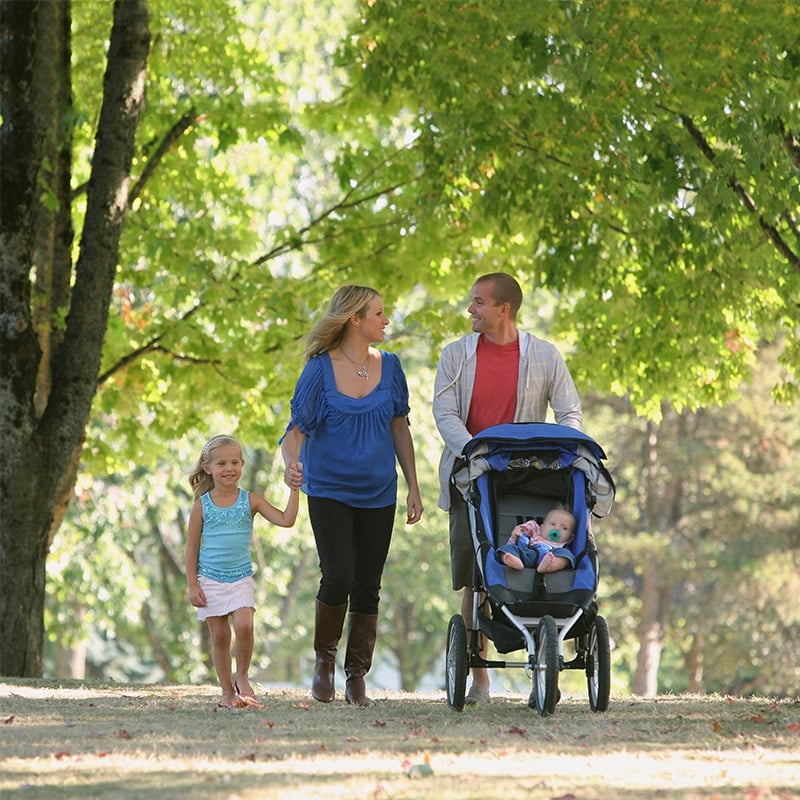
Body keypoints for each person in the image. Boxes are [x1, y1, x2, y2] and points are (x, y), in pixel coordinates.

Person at [433, 272, 583, 704]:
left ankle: (548, 655)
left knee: (543, 558)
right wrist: (476, 451)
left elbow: (570, 410)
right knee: (474, 574)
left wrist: (565, 448)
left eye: (478, 302)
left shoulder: (543, 356)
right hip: (471, 474)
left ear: (504, 309)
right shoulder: (456, 355)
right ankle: (479, 677)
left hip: (528, 476)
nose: (470, 309)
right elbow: (444, 413)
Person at [280, 285, 423, 707]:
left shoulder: (391, 367)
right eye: (379, 313)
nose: (386, 321)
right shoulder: (319, 371)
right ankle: (324, 659)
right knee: (338, 574)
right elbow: (295, 432)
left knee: (368, 585)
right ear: (355, 319)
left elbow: (400, 428)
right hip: (328, 489)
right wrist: (292, 462)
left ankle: (356, 674)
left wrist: (413, 484)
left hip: (379, 491)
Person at [185, 434, 301, 709]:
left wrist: (295, 489)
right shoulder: (202, 505)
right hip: (210, 579)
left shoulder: (250, 501)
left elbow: (287, 520)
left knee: (245, 626)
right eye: (222, 463)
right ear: (207, 467)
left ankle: (243, 676)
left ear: (242, 465)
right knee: (221, 637)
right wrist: (192, 585)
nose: (229, 468)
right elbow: (190, 549)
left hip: (240, 577)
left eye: (235, 462)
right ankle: (226, 691)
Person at [496, 508, 577, 573]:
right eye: (552, 524)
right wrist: (514, 537)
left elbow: (566, 555)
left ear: (570, 538)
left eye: (564, 528)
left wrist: (554, 559)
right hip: (528, 554)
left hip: (552, 554)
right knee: (504, 549)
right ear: (541, 528)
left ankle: (550, 566)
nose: (557, 529)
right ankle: (514, 561)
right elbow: (513, 544)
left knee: (568, 556)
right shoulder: (534, 535)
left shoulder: (562, 547)